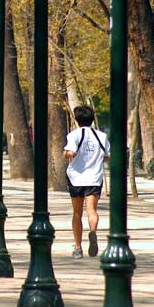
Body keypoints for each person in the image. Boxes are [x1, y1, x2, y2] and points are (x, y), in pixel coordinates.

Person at [63, 105, 110, 259]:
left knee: (77, 213)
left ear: (77, 119)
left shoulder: (74, 135)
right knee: (92, 211)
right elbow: (107, 156)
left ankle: (78, 248)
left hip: (76, 178)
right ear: (92, 118)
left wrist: (66, 153)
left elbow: (71, 152)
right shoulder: (102, 136)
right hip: (94, 178)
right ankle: (93, 231)